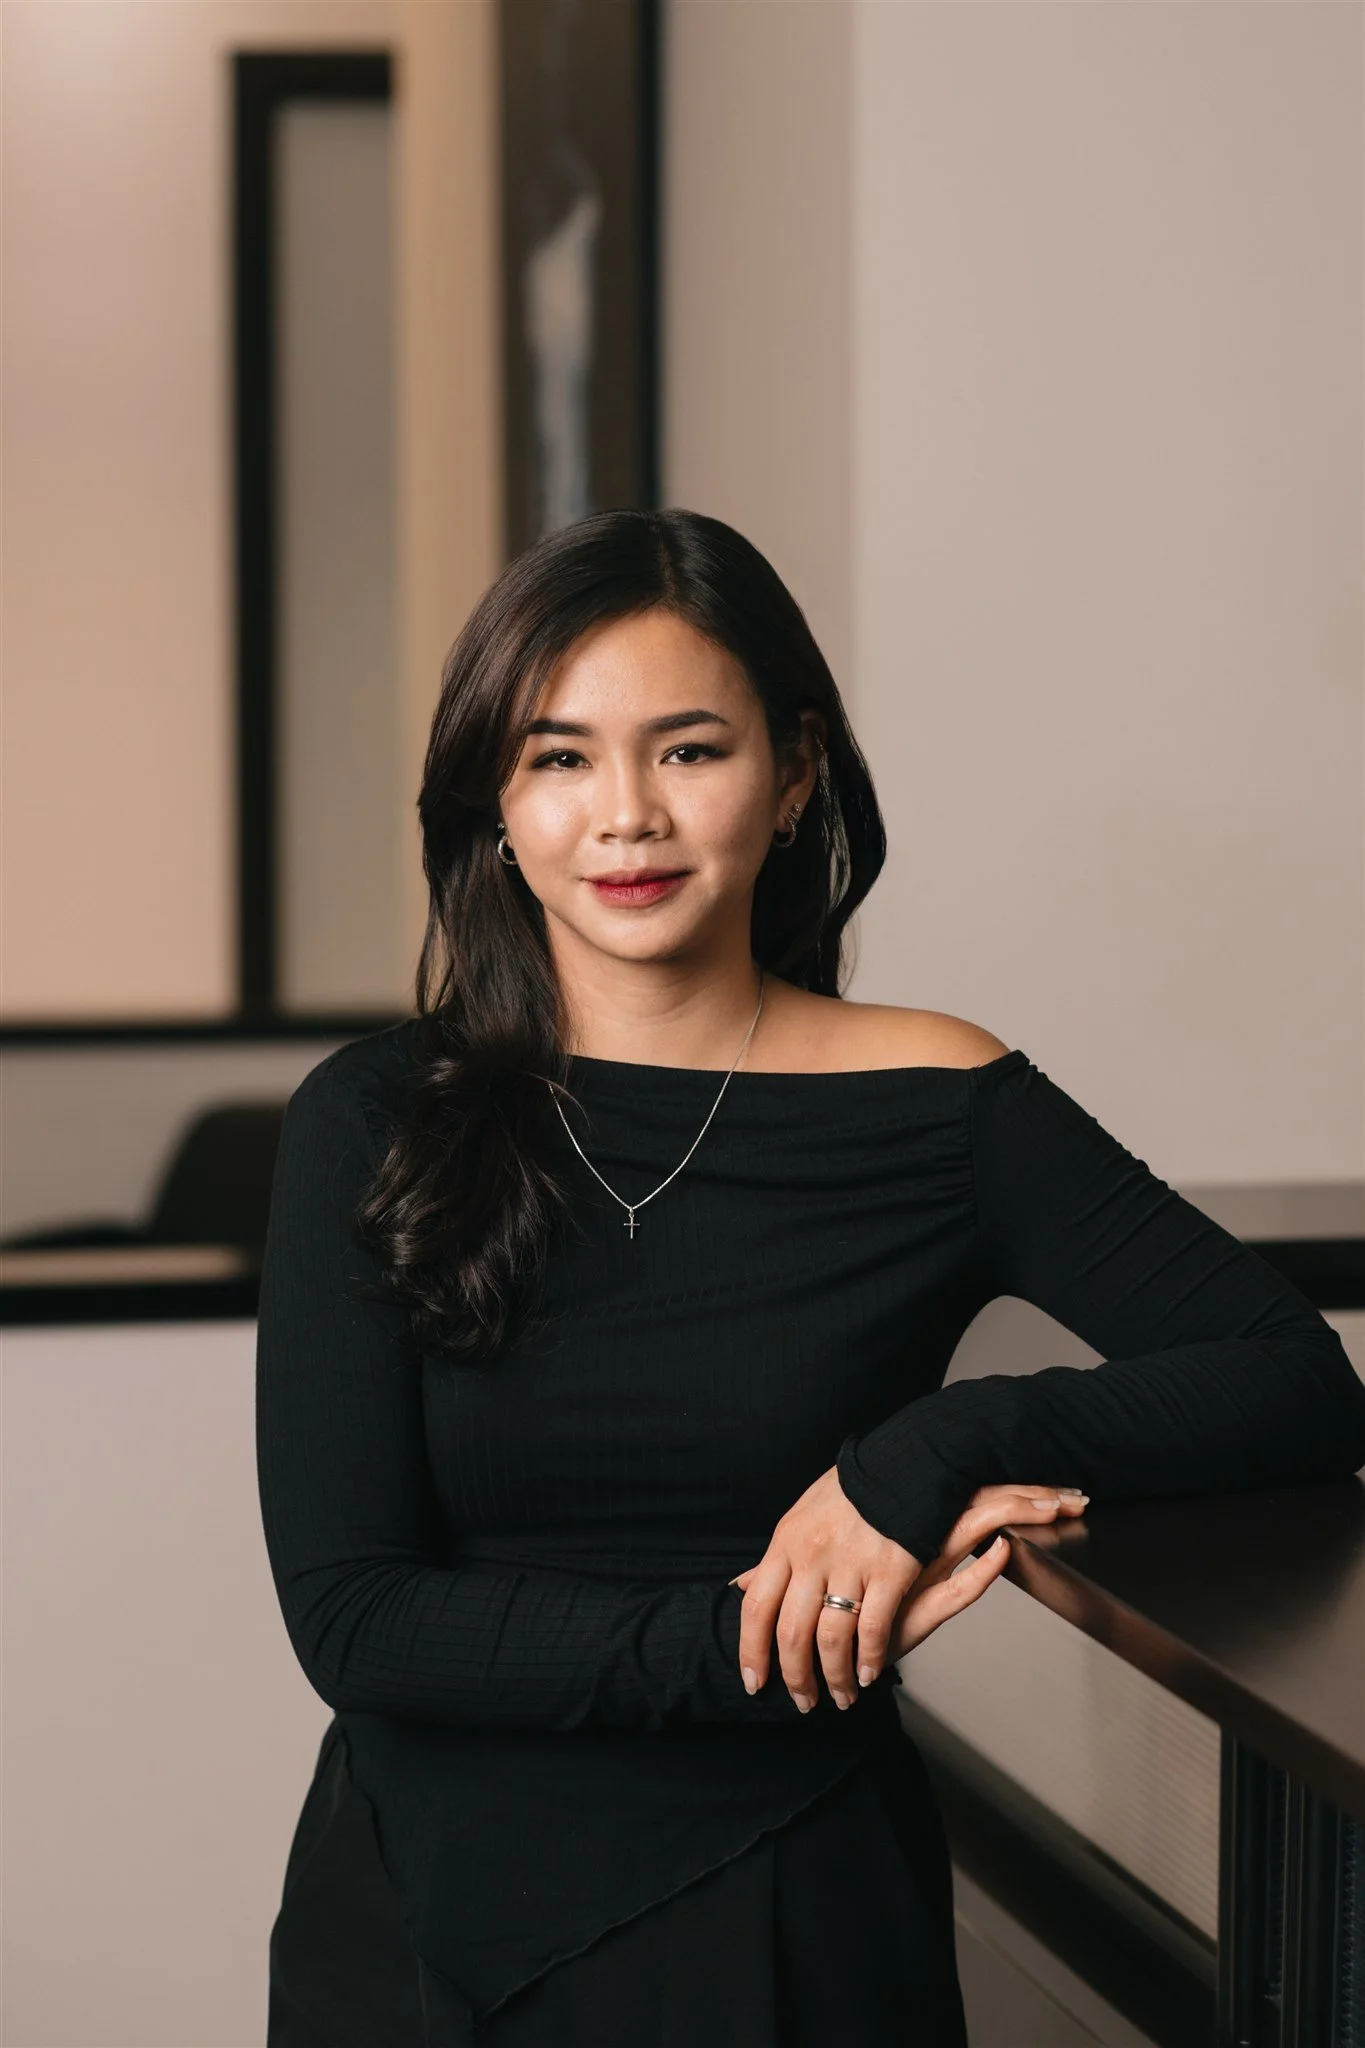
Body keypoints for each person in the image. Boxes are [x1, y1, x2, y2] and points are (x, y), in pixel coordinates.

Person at [256, 507, 1365, 2047]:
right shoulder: (373, 1118)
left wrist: (931, 1450)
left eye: (689, 750)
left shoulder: (940, 1103)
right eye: (560, 756)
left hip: (781, 1905)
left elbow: (1296, 1376)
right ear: (495, 804)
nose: (626, 814)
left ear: (793, 774)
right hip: (418, 1918)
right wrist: (743, 1646)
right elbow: (357, 1618)